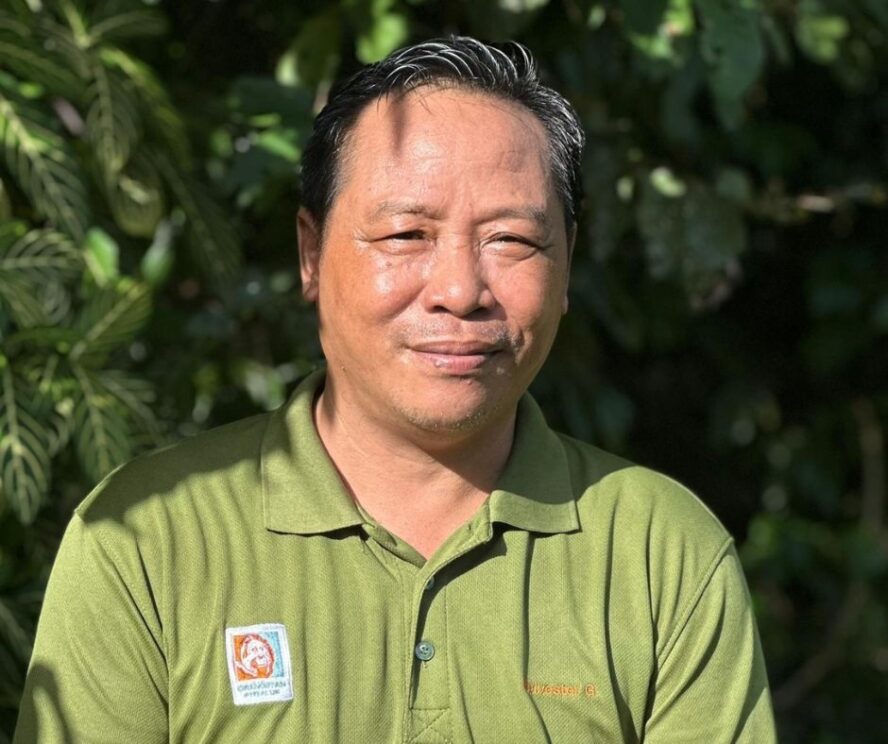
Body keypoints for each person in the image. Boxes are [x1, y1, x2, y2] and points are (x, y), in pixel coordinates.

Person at [15, 36, 776, 743]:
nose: (459, 289)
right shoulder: (147, 541)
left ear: (567, 264)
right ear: (311, 253)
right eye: (406, 235)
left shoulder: (659, 552)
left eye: (510, 239)